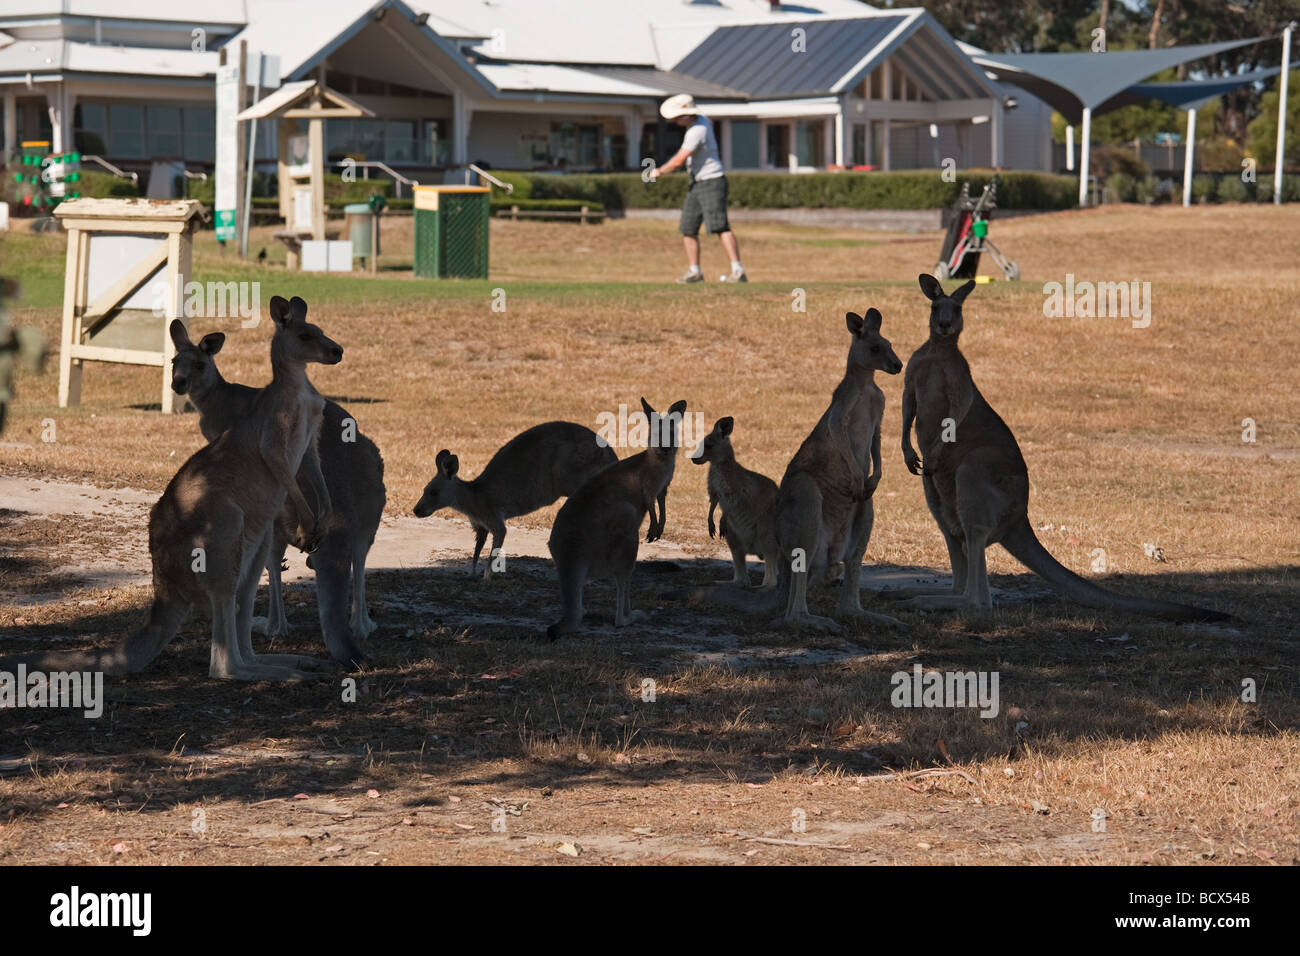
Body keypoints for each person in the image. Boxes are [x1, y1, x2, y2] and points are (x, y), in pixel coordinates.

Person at [648, 93, 747, 283]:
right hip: (697, 182)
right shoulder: (700, 121)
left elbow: (679, 160)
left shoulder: (697, 130)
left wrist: (658, 171)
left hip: (712, 181)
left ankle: (738, 271)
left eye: (677, 117)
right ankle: (695, 272)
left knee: (720, 226)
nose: (675, 121)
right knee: (688, 227)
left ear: (686, 116)